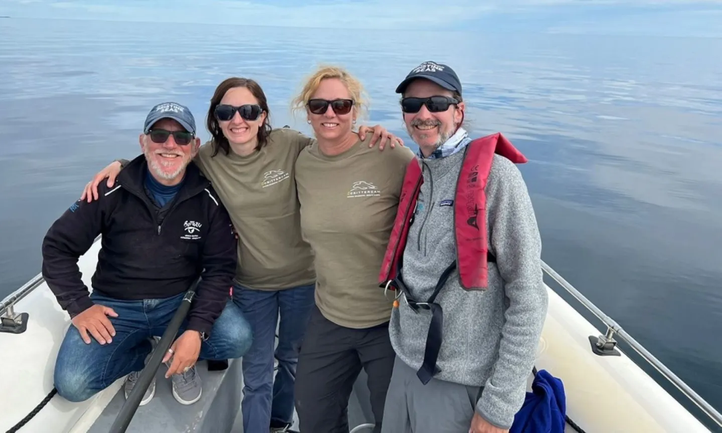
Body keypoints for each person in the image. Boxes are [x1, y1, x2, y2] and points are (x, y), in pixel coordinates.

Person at [79, 78, 403, 433]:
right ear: (215, 120)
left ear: (263, 116)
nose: (238, 120)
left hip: (305, 280)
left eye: (248, 111)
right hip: (251, 283)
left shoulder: (291, 144)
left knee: (292, 360)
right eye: (226, 112)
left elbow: (334, 145)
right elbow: (166, 159)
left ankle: (280, 422)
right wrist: (121, 164)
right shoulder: (207, 159)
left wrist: (370, 134)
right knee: (257, 372)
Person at [377, 61, 549, 433]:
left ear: (459, 110)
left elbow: (529, 297)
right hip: (406, 365)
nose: (424, 114)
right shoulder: (418, 171)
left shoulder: (498, 177)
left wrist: (498, 406)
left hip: (461, 383)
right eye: (411, 105)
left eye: (437, 102)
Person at [44, 102, 252, 407]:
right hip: (116, 306)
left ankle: (180, 352)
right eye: (159, 135)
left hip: (178, 303)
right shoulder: (110, 189)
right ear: (143, 141)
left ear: (194, 147)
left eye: (181, 137)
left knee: (237, 337)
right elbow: (56, 247)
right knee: (73, 383)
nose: (170, 145)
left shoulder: (208, 198)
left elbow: (220, 268)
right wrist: (79, 306)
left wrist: (196, 330)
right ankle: (144, 357)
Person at [291, 65, 416, 433]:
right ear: (307, 112)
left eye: (341, 105)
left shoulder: (389, 156)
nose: (330, 113)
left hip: (387, 321)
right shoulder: (302, 162)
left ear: (355, 111)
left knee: (394, 422)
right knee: (313, 415)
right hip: (329, 314)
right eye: (319, 106)